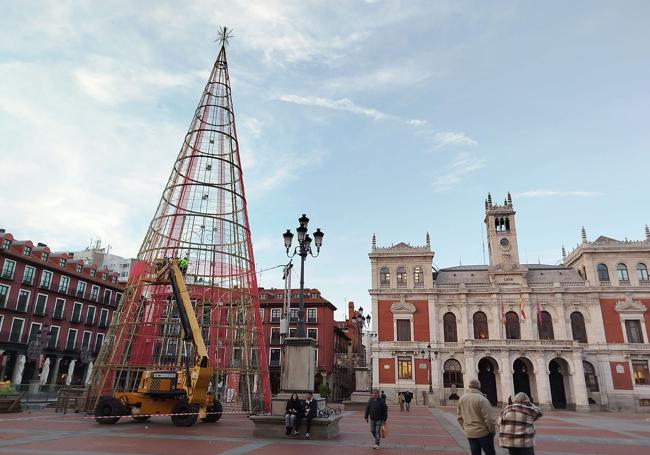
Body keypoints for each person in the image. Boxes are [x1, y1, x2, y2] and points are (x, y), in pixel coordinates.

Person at [457, 379, 496, 455]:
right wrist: (492, 430)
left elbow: (459, 417)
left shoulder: (461, 399)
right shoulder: (482, 399)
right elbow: (489, 419)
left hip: (470, 432)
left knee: (475, 453)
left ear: (469, 386)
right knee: (490, 452)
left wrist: (466, 428)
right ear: (479, 386)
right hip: (484, 433)